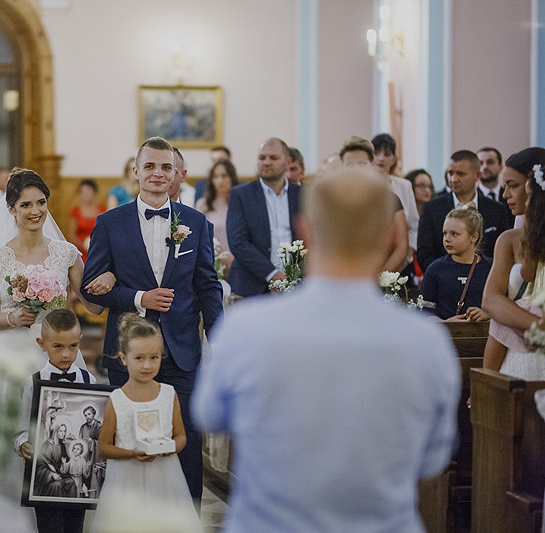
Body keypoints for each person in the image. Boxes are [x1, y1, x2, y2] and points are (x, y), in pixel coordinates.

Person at [193, 165, 460, 532]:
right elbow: (429, 467)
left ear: (305, 230)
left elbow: (211, 417)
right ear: (388, 236)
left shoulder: (246, 328)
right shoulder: (427, 343)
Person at [81, 136, 223, 500]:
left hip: (181, 351)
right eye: (149, 166)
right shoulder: (109, 223)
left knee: (186, 440)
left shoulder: (196, 222)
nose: (158, 173)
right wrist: (138, 298)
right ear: (136, 171)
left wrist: (220, 340)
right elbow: (90, 289)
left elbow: (207, 286)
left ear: (176, 174)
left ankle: (187, 518)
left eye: (165, 167)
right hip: (126, 351)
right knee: (128, 439)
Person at [0, 168, 111, 403]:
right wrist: (11, 318)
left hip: (57, 351)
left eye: (41, 203)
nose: (35, 211)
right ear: (11, 209)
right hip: (9, 353)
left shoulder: (66, 253)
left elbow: (94, 307)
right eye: (25, 205)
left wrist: (109, 278)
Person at [94, 314, 201, 532]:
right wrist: (132, 453)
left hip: (165, 477)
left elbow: (181, 436)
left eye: (154, 358)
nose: (147, 365)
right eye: (139, 358)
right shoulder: (117, 399)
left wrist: (168, 447)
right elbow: (103, 447)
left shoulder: (169, 394)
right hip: (126, 481)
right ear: (123, 358)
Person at [16, 309, 96, 533]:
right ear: (42, 344)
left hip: (76, 479)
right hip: (44, 479)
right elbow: (21, 428)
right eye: (58, 346)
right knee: (49, 527)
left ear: (80, 341)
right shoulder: (32, 383)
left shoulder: (89, 380)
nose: (66, 354)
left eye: (73, 346)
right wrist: (23, 443)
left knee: (75, 527)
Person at [482, 148, 545, 372]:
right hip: (513, 353)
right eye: (505, 186)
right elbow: (490, 300)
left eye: (513, 185)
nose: (505, 194)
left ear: (534, 188)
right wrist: (537, 327)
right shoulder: (509, 239)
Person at [227, 137, 302, 297]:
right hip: (252, 285)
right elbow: (238, 242)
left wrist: (292, 276)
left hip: (296, 285)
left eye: (273, 158)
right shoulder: (241, 195)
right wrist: (272, 274)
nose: (266, 162)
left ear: (288, 162)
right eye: (262, 158)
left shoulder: (303, 195)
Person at [417, 150, 511, 272]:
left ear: (477, 176)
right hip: (443, 278)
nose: (453, 179)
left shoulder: (496, 209)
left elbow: (503, 251)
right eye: (451, 173)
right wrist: (446, 275)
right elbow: (424, 254)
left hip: (486, 278)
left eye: (460, 174)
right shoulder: (431, 208)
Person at [340, 136, 409, 273]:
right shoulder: (335, 201)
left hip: (381, 273)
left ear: (372, 164)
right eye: (350, 165)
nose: (356, 169)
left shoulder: (390, 199)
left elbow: (401, 246)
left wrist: (381, 276)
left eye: (362, 164)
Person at [421, 208, 492, 321]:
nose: (447, 239)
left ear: (474, 237)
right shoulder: (435, 269)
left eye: (454, 234)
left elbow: (504, 305)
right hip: (445, 332)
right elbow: (425, 310)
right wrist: (446, 323)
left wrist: (488, 314)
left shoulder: (491, 268)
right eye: (445, 233)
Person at [372, 133, 420, 260]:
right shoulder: (363, 187)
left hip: (402, 256)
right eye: (376, 153)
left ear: (393, 159)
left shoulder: (404, 186)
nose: (381, 158)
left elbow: (414, 225)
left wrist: (408, 253)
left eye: (387, 154)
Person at [195, 159, 238, 274]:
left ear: (231, 178)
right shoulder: (203, 205)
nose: (220, 181)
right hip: (212, 263)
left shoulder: (239, 204)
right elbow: (199, 237)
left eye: (224, 176)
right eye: (216, 176)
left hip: (238, 263)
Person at [67, 178, 105, 262]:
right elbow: (72, 236)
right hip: (81, 252)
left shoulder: (103, 211)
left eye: (88, 191)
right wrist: (84, 246)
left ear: (94, 192)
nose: (85, 195)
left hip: (99, 250)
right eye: (82, 192)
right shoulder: (75, 212)